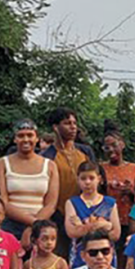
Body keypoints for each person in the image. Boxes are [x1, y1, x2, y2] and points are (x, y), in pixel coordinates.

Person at [0, 119, 59, 249]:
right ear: (15, 139)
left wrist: (33, 228)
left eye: (30, 135)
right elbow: (1, 202)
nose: (26, 139)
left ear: (37, 138)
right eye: (21, 136)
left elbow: (51, 204)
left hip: (41, 227)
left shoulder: (50, 165)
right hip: (9, 225)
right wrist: (33, 223)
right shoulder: (2, 164)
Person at [42, 108, 96, 257]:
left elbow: (95, 180)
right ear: (55, 127)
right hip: (57, 215)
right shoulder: (47, 156)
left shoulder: (85, 152)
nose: (73, 127)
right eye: (67, 123)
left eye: (74, 123)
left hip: (86, 214)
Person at [66, 161, 120, 269]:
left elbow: (115, 234)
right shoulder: (72, 203)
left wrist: (82, 226)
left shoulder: (110, 203)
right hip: (80, 256)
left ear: (99, 179)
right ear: (78, 180)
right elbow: (72, 232)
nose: (87, 182)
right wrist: (102, 225)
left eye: (91, 178)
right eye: (83, 178)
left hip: (105, 256)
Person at [100, 129, 135, 265]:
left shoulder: (134, 168)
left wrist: (130, 191)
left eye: (114, 145)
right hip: (107, 220)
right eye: (107, 147)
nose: (111, 150)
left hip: (129, 220)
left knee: (127, 258)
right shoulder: (101, 168)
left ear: (122, 145)